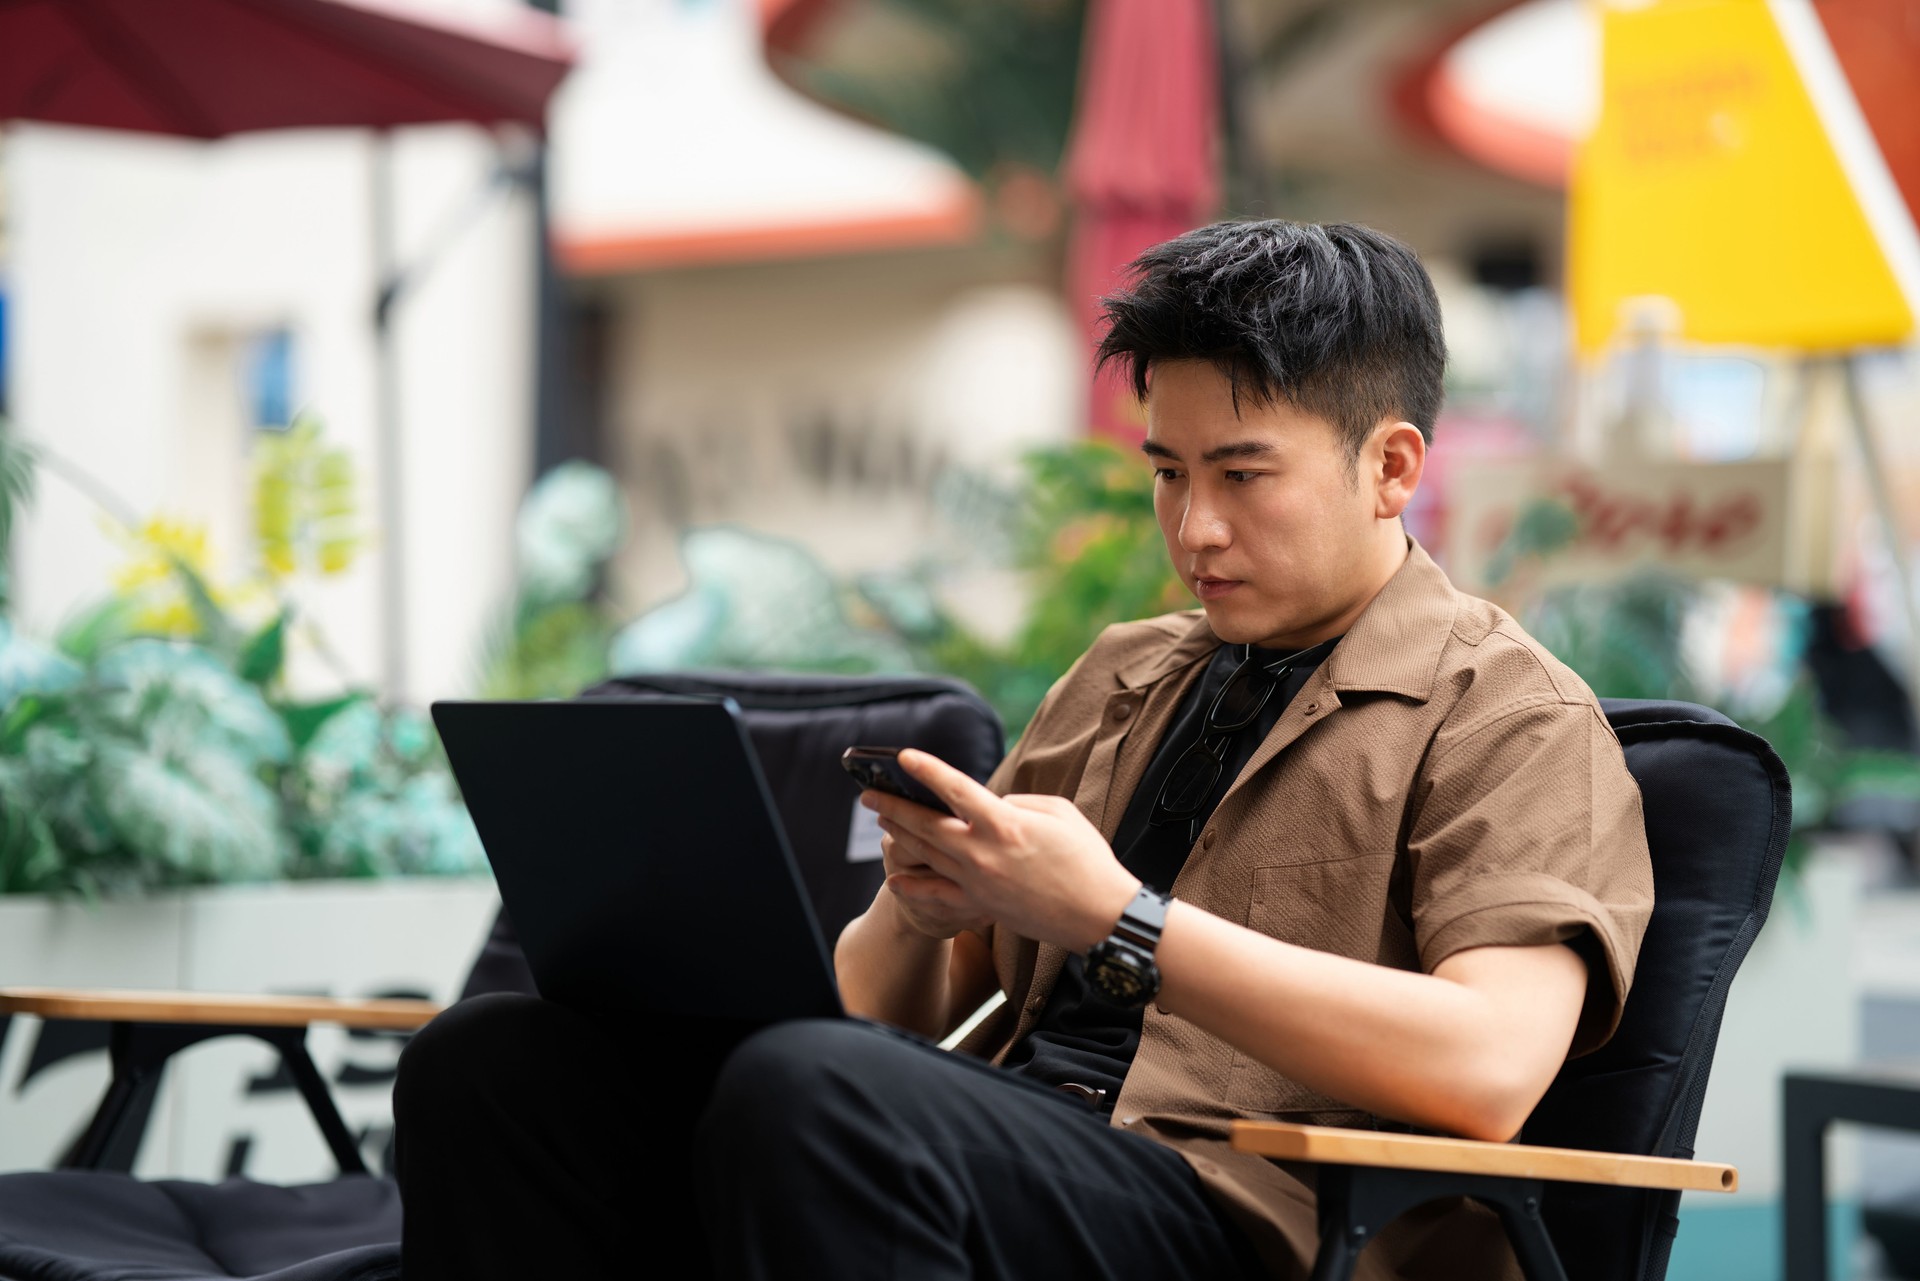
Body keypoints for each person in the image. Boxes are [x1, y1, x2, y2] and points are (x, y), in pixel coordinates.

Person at [392, 219, 1653, 1281]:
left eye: (1243, 475)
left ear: (1391, 467)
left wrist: (1125, 920)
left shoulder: (1510, 717)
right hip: (1016, 1147)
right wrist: (927, 904)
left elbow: (1489, 1069)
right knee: (494, 1066)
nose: (1194, 527)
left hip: (1251, 1215)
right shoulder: (1127, 674)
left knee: (822, 1098)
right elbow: (883, 1007)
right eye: (1167, 473)